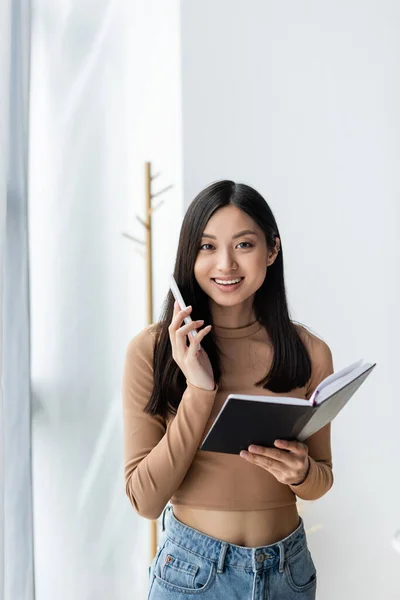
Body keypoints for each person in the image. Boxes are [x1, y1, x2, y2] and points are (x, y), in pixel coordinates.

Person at [122, 180, 334, 600]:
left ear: (271, 250)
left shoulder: (309, 352)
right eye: (206, 247)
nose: (226, 264)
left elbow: (322, 478)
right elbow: (145, 500)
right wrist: (200, 390)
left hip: (288, 573)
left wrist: (302, 473)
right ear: (189, 255)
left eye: (243, 245)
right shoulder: (154, 349)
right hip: (192, 574)